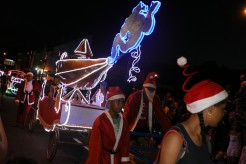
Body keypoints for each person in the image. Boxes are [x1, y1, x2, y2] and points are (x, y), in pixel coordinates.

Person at [157, 56, 229, 164]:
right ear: (210, 109)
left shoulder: (205, 140)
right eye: (222, 109)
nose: (224, 113)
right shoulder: (176, 139)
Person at [86, 86, 130, 164]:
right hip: (104, 159)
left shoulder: (124, 122)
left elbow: (125, 145)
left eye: (122, 102)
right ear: (109, 102)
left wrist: (125, 161)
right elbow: (95, 146)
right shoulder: (100, 121)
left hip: (117, 159)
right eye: (118, 102)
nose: (121, 105)